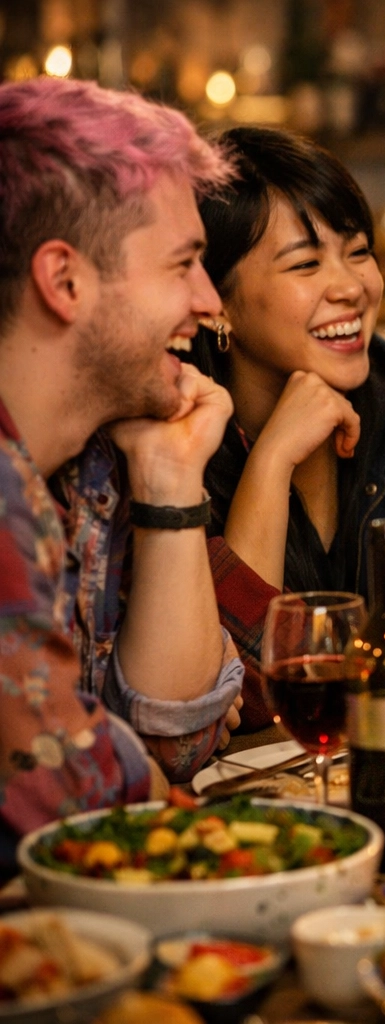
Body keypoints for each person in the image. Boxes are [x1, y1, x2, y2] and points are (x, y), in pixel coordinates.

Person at [0, 78, 245, 857]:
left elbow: (175, 744)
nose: (211, 301)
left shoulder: (96, 459)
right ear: (64, 281)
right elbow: (75, 806)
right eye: (184, 264)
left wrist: (173, 484)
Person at [188, 127, 385, 727]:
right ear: (215, 299)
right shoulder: (173, 446)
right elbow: (231, 701)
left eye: (358, 252)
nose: (351, 287)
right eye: (305, 263)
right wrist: (270, 463)